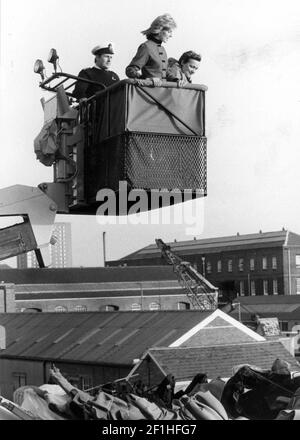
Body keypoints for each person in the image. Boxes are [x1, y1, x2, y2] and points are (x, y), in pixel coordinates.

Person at [125, 13, 177, 86]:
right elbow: (130, 70)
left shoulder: (162, 49)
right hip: (149, 93)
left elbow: (164, 72)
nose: (171, 35)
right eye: (169, 32)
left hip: (163, 93)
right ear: (160, 29)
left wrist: (176, 80)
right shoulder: (146, 47)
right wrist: (146, 79)